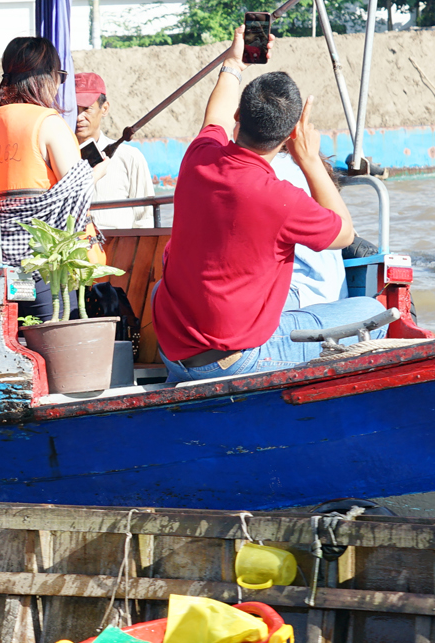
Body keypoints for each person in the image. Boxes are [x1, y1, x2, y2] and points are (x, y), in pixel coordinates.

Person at [150, 27, 382, 385]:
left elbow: (215, 115)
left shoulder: (199, 157)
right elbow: (344, 231)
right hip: (234, 362)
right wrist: (308, 159)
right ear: (291, 134)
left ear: (238, 118)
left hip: (173, 350)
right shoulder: (282, 198)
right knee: (373, 310)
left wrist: (234, 62)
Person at [0, 35, 93, 322]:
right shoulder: (48, 123)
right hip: (44, 269)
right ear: (46, 77)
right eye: (59, 76)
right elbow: (79, 191)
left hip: (0, 264)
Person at [73, 72, 155, 231]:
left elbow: (145, 219)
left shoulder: (130, 158)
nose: (78, 117)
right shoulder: (54, 159)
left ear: (104, 109)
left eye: (86, 109)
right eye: (73, 110)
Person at [267, 149, 347, 310]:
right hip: (324, 290)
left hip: (302, 292)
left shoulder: (270, 172)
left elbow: (343, 236)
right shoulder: (297, 164)